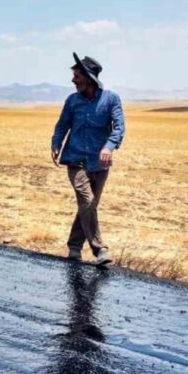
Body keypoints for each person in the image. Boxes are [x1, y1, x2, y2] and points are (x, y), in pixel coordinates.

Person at [51, 53, 125, 265]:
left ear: (89, 77)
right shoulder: (72, 101)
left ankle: (74, 247)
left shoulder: (111, 99)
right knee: (87, 201)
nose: (73, 80)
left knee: (88, 206)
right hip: (75, 159)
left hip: (100, 164)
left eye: (77, 76)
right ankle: (100, 249)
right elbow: (62, 125)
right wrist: (56, 144)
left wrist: (109, 147)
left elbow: (119, 127)